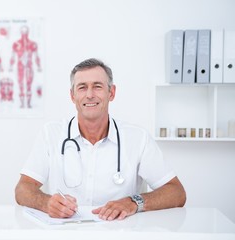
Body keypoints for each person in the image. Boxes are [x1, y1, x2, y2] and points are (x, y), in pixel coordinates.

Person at [15, 58, 186, 221]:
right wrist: (46, 203)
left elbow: (176, 193)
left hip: (120, 234)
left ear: (111, 93)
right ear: (72, 95)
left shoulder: (138, 138)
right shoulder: (51, 134)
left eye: (97, 86)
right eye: (82, 87)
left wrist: (133, 202)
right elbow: (22, 189)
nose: (90, 95)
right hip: (66, 234)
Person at [9, 25, 42, 108]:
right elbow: (13, 56)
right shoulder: (16, 44)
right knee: (20, 85)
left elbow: (36, 56)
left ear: (28, 32)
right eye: (23, 32)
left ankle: (28, 104)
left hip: (29, 67)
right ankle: (22, 104)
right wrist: (10, 66)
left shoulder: (32, 44)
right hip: (20, 67)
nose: (24, 34)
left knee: (28, 85)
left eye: (26, 32)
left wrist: (38, 66)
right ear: (21, 32)